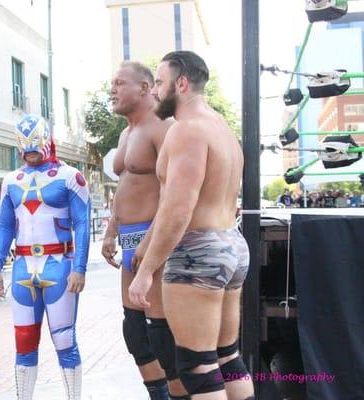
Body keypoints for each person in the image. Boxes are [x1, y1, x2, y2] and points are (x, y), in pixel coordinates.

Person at [129, 51, 255, 399]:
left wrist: (146, 271)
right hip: (230, 244)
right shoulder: (221, 130)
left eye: (158, 82)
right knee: (227, 356)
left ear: (180, 84)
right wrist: (146, 246)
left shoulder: (186, 131)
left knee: (197, 365)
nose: (153, 91)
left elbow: (178, 208)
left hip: (197, 252)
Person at [0, 114, 90, 400]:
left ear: (46, 139)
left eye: (35, 142)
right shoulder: (11, 181)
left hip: (59, 265)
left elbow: (82, 222)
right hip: (22, 267)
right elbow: (5, 225)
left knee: (64, 339)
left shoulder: (70, 176)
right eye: (25, 144)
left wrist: (80, 268)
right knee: (23, 341)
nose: (30, 150)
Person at [101, 61, 182, 399]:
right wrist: (111, 231)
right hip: (131, 238)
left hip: (156, 238)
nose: (112, 90)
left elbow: (174, 190)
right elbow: (125, 186)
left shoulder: (164, 127)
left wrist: (152, 244)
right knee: (135, 333)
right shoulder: (126, 133)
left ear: (146, 87)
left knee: (162, 336)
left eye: (120, 83)